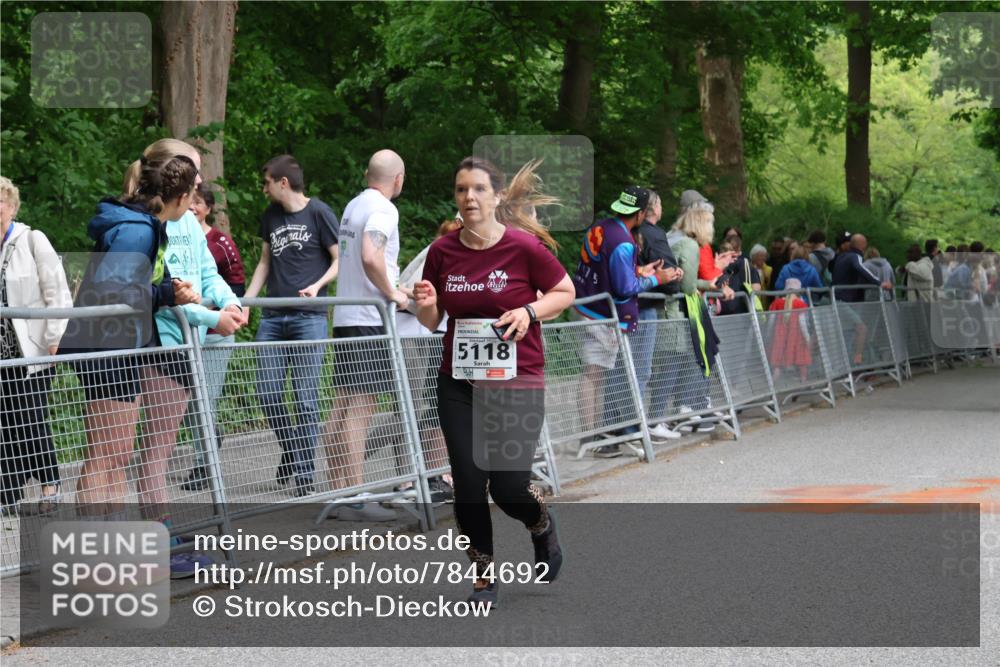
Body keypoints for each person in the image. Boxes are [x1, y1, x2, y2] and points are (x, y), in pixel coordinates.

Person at [413, 156, 576, 608]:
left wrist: (528, 312)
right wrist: (424, 301)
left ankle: (540, 524)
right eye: (462, 189)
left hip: (517, 380)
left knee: (507, 489)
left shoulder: (523, 248)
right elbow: (431, 320)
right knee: (467, 483)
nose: (469, 198)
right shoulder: (443, 251)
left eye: (479, 189)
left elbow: (565, 293)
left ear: (497, 196)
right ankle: (483, 576)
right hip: (460, 382)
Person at [59, 151, 203, 576]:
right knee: (105, 456)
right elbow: (112, 292)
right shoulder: (135, 230)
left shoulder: (146, 225)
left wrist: (165, 286)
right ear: (176, 195)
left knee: (116, 455)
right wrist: (165, 296)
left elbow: (133, 280)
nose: (196, 205)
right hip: (105, 346)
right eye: (193, 195)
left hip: (119, 345)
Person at [245, 155, 339, 498]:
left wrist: (317, 286)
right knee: (268, 394)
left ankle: (303, 473)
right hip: (272, 317)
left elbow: (338, 258)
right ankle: (293, 449)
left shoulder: (319, 212)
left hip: (308, 318)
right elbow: (265, 262)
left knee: (304, 399)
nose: (264, 188)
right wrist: (247, 302)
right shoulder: (270, 216)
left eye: (267, 182)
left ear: (283, 182)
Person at [324, 149, 407, 522]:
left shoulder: (353, 206)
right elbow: (372, 256)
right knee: (359, 410)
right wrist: (393, 293)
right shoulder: (385, 209)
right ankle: (356, 495)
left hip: (344, 314)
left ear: (365, 173)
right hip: (368, 318)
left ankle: (340, 491)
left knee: (340, 408)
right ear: (398, 179)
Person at [573, 186, 681, 458]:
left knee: (595, 374)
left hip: (586, 304)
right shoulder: (624, 241)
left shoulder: (601, 227)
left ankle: (595, 434)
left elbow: (606, 266)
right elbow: (625, 288)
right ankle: (592, 437)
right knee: (594, 374)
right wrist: (659, 278)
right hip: (599, 313)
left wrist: (639, 269)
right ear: (642, 213)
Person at [0, 176, 72, 515]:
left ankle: (50, 483)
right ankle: (8, 495)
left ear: (13, 208)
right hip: (1, 357)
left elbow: (57, 291)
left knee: (30, 420)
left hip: (31, 352)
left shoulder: (31, 240)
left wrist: (56, 336)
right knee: (5, 424)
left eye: (2, 203)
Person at [176, 182, 248, 491]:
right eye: (188, 201)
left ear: (207, 207)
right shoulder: (178, 235)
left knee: (206, 399)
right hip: (186, 334)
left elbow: (233, 280)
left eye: (198, 202)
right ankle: (210, 440)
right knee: (191, 404)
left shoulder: (220, 241)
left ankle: (205, 467)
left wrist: (231, 307)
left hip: (215, 335)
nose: (192, 207)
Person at [633, 190, 683, 440]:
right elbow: (666, 270)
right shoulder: (653, 233)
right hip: (645, 308)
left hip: (629, 306)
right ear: (653, 208)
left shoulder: (628, 231)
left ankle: (629, 427)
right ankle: (639, 427)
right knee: (641, 369)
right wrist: (673, 280)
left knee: (626, 370)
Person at [767, 277, 813, 385]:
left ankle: (774, 380)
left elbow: (771, 321)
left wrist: (768, 335)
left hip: (779, 336)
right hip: (797, 337)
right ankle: (803, 379)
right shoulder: (801, 304)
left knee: (778, 359)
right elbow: (803, 324)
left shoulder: (777, 303)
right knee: (802, 357)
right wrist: (807, 338)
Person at [831, 234, 891, 303]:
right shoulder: (855, 256)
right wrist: (879, 283)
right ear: (864, 245)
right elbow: (860, 268)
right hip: (844, 299)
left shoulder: (841, 257)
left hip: (835, 296)